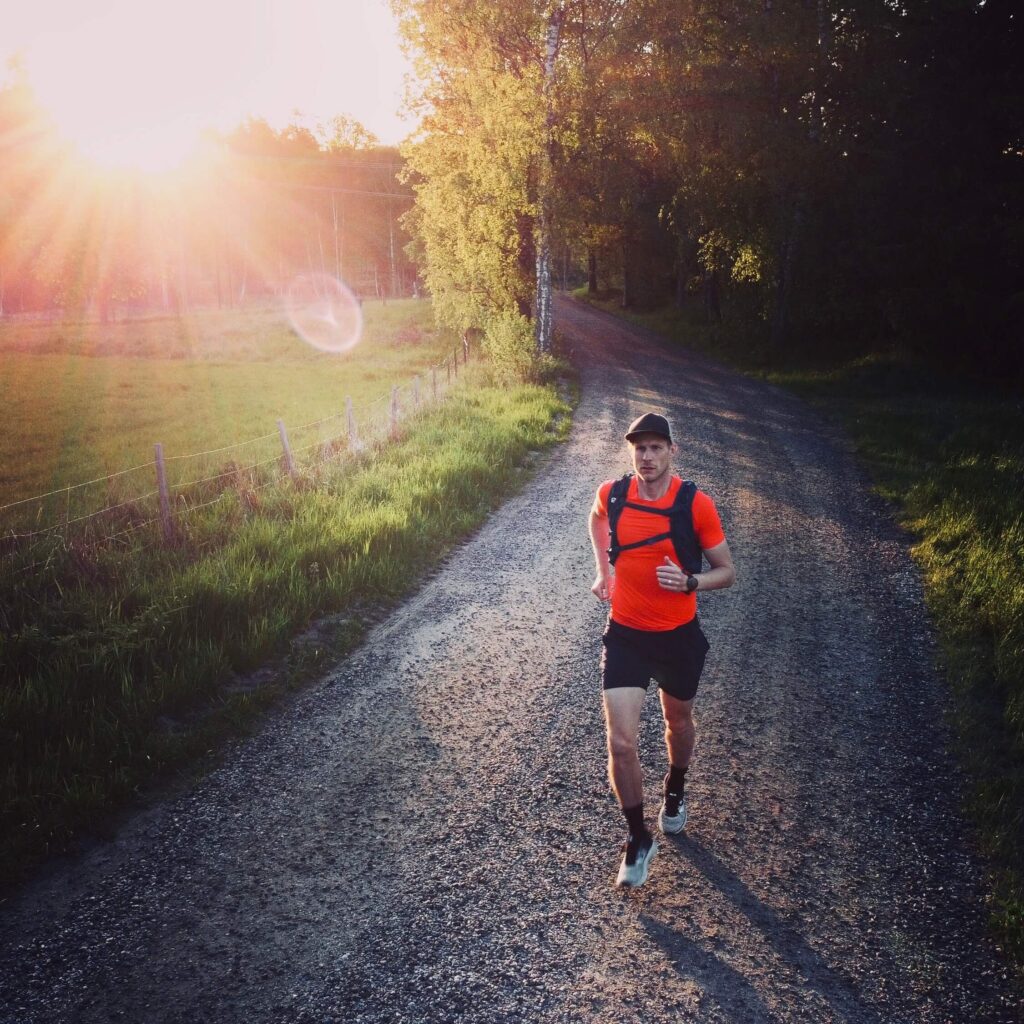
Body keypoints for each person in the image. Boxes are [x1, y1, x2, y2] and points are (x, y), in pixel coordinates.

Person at [588, 412, 735, 888]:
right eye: (640, 448)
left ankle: (674, 786)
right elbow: (596, 519)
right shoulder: (613, 494)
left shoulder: (696, 505)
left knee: (678, 724)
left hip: (677, 638)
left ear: (672, 451)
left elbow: (726, 571)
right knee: (621, 741)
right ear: (631, 452)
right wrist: (604, 571)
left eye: (656, 447)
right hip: (626, 633)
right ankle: (637, 837)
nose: (647, 456)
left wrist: (691, 580)